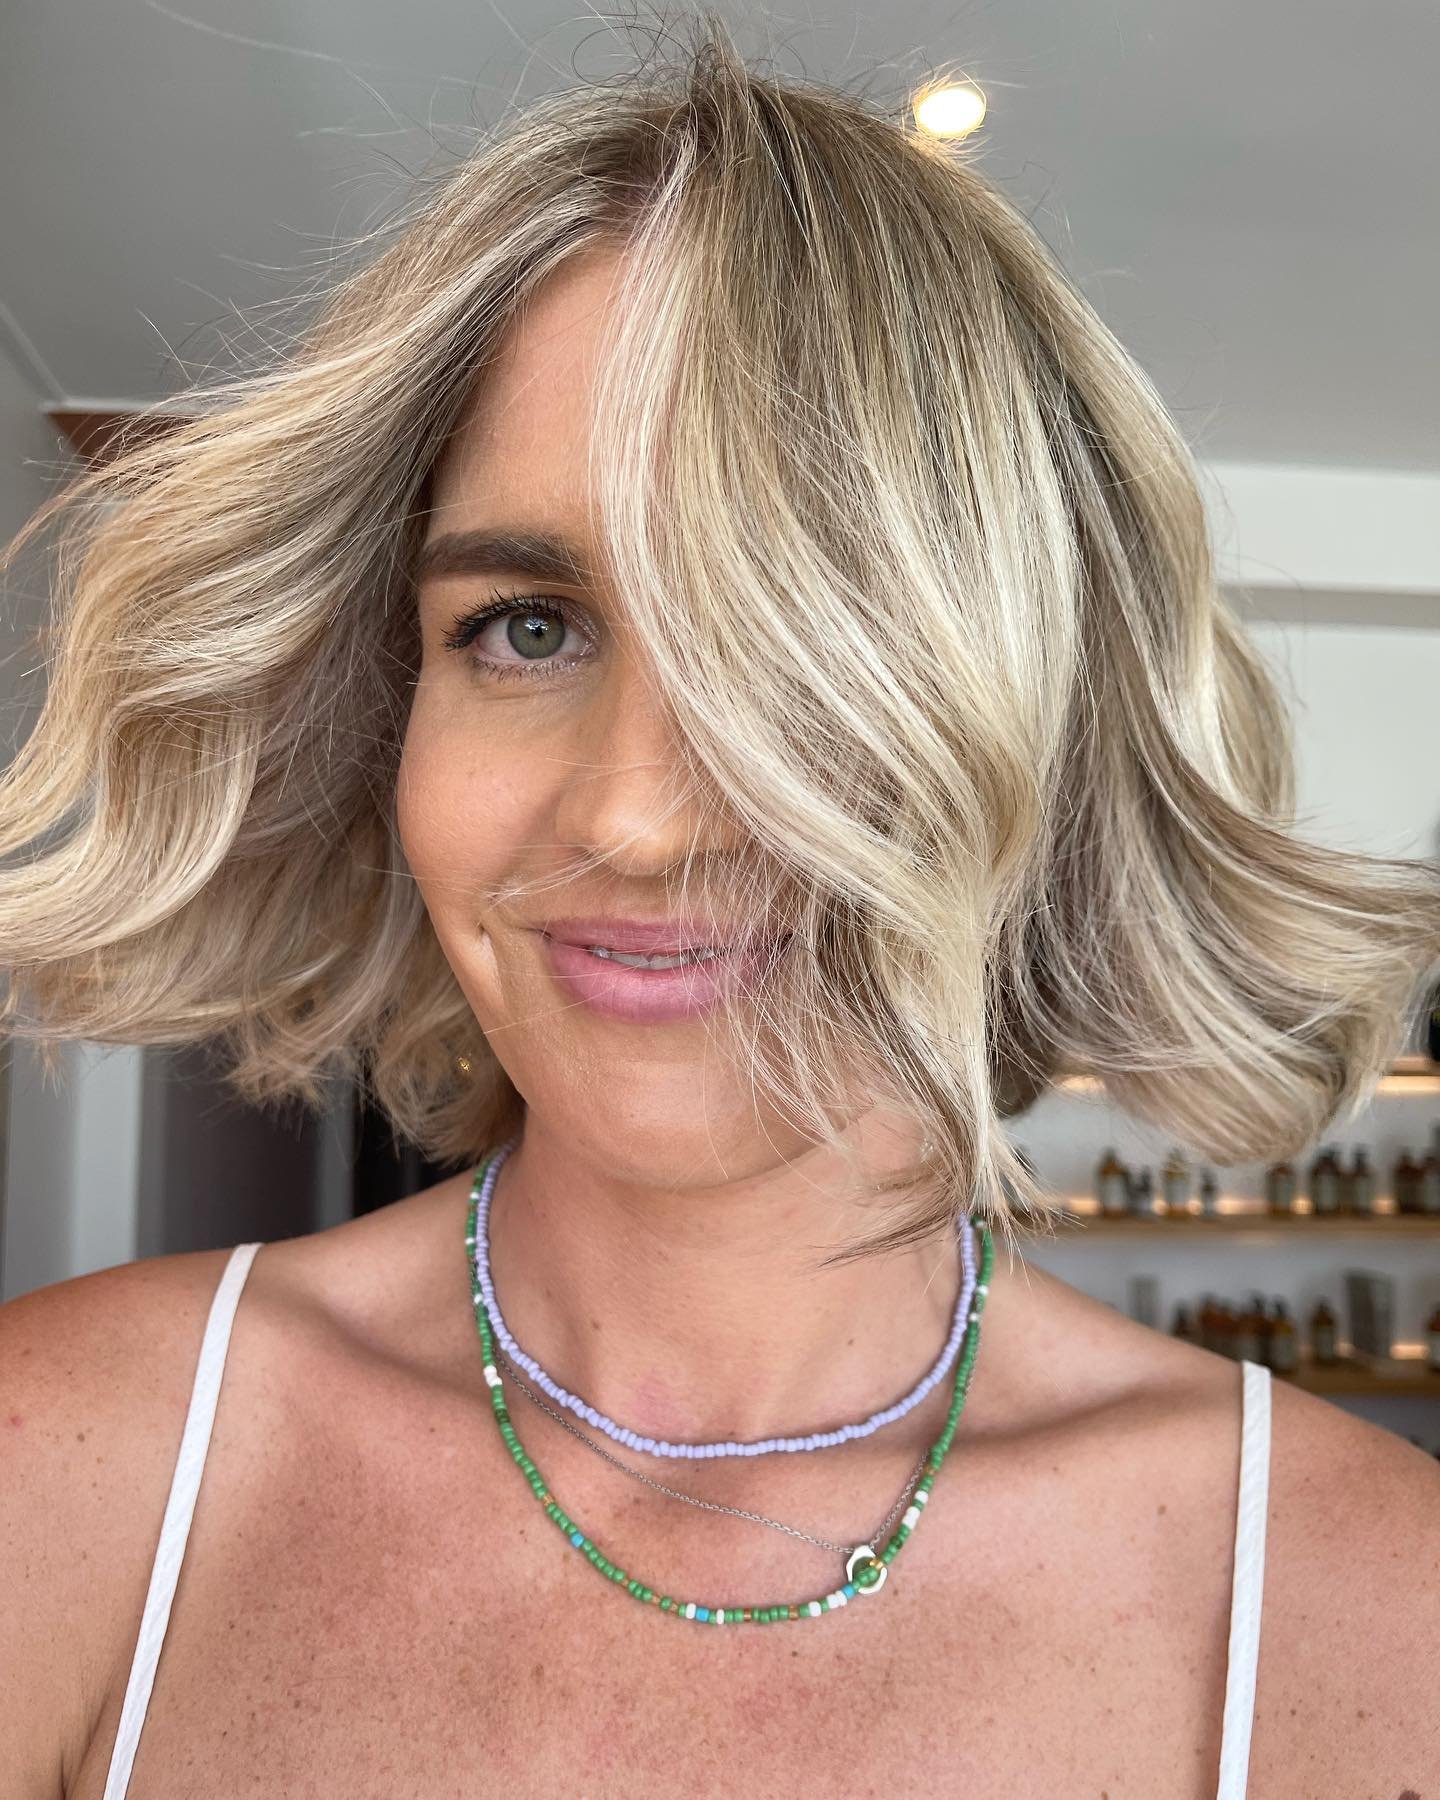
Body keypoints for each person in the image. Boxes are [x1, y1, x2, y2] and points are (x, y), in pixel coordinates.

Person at [2, 21, 1438, 1798]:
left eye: (798, 647)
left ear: (1049, 743)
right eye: (528, 626)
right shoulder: (61, 1475)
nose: (635, 812)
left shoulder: (1368, 1615)